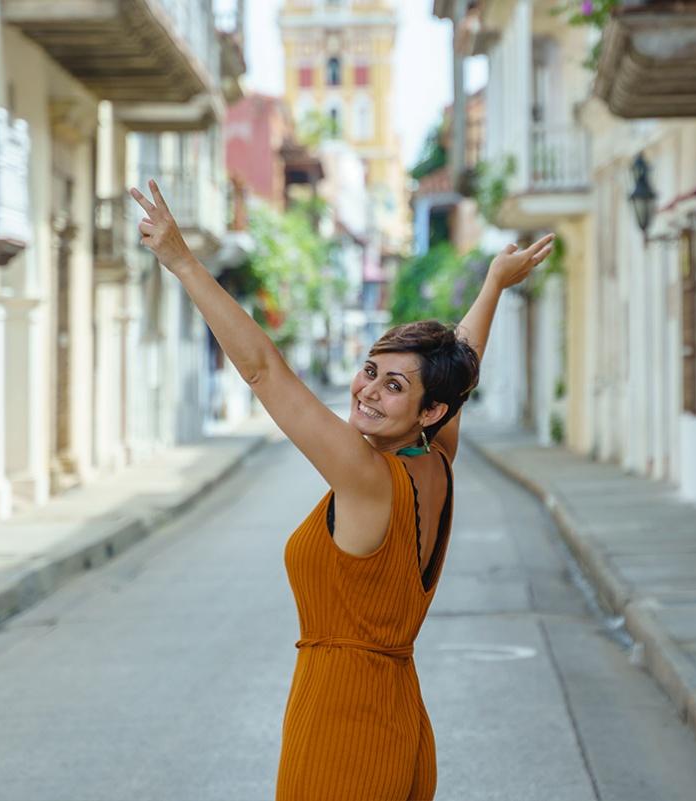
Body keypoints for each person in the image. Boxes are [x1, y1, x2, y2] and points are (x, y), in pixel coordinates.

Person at [129, 180, 554, 801]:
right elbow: (458, 372)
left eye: (393, 388)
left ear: (428, 410)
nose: (368, 391)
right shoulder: (436, 460)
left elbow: (263, 370)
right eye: (371, 371)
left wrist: (183, 262)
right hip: (400, 723)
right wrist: (492, 285)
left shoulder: (366, 475)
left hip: (341, 732)